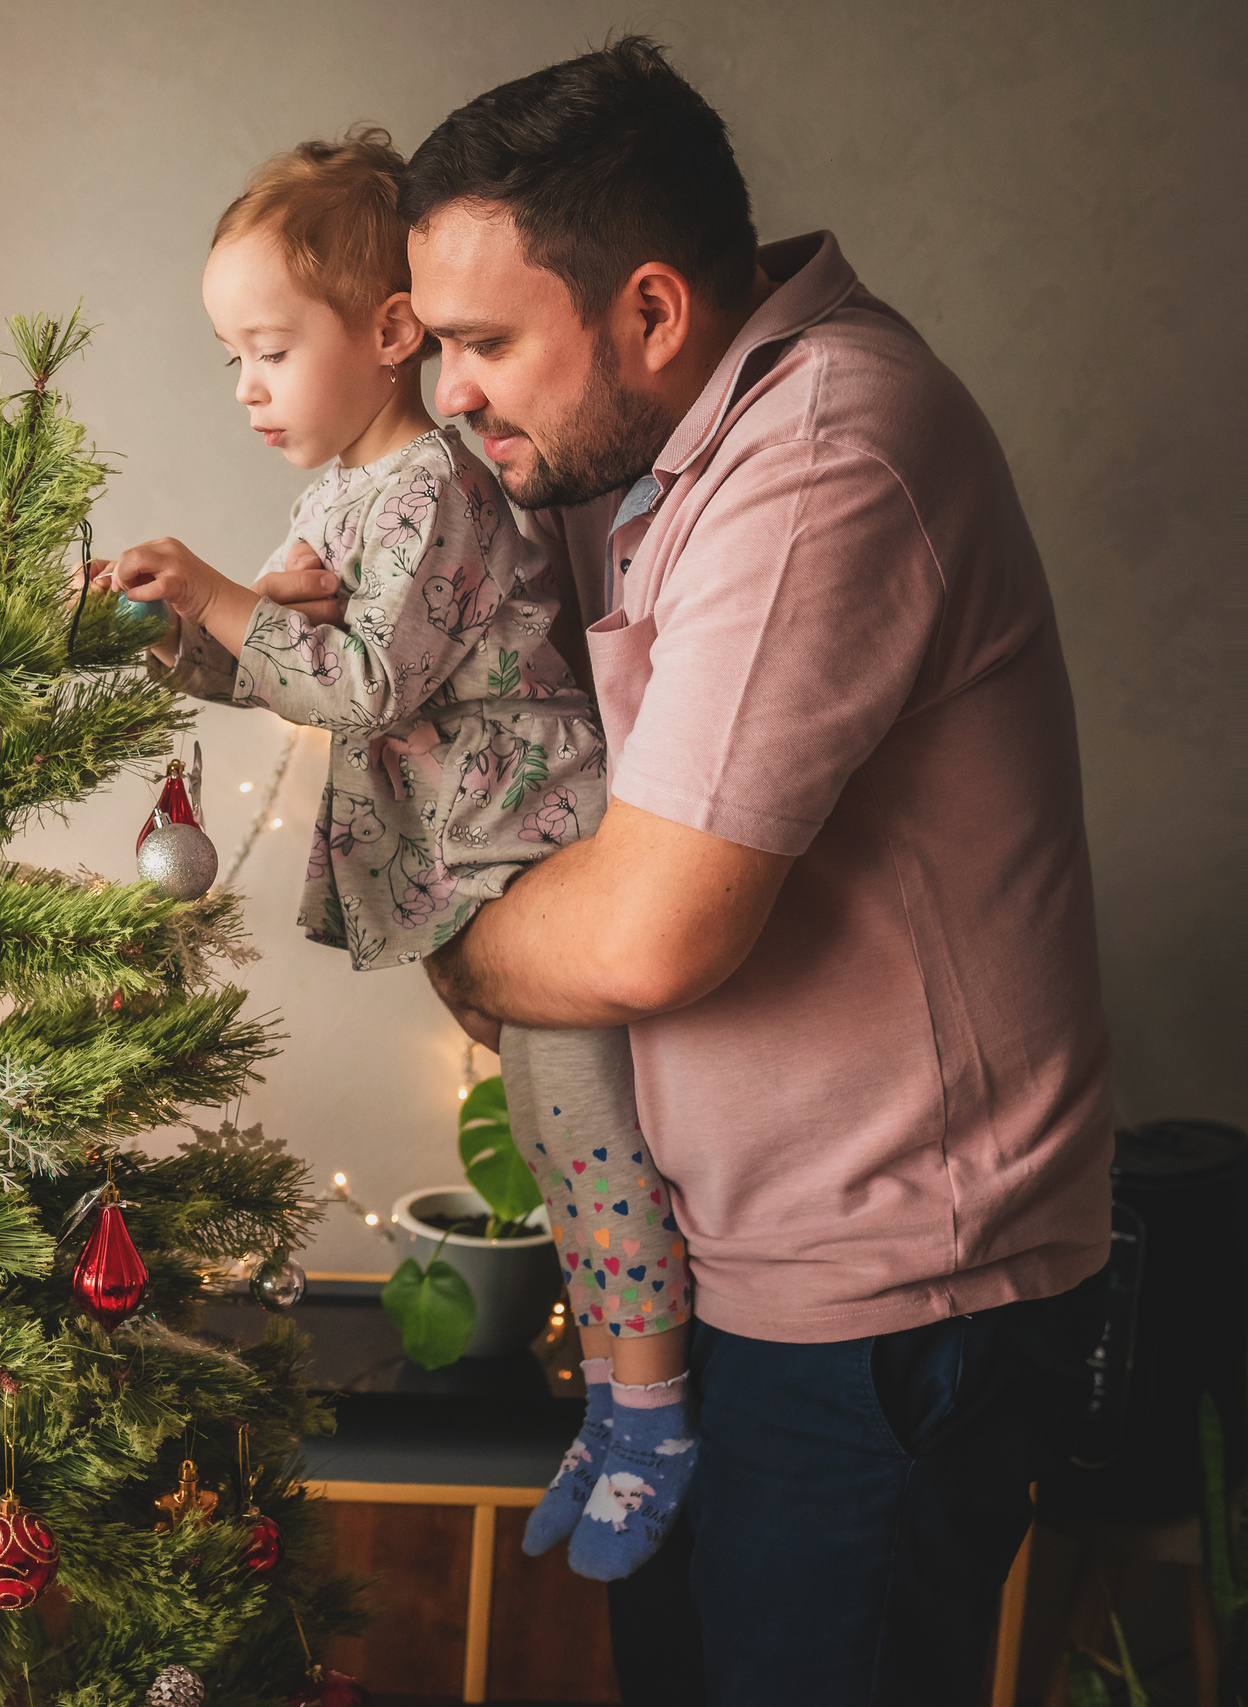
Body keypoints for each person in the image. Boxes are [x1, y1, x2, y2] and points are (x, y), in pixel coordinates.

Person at [252, 37, 1112, 1705]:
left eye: (490, 343)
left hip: (885, 1299)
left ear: (650, 310)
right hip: (730, 1279)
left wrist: (457, 948)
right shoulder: (620, 451)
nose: (457, 391)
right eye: (441, 347)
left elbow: (646, 935)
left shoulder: (828, 447)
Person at [93, 127, 697, 1581]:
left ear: (386, 334)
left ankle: (655, 1416)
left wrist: (239, 596)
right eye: (229, 355)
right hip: (474, 867)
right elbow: (290, 670)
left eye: (268, 350)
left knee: (592, 1143)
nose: (244, 386)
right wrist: (180, 630)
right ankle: (617, 1404)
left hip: (535, 849)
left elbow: (364, 680)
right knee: (557, 1151)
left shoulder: (427, 485)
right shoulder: (338, 498)